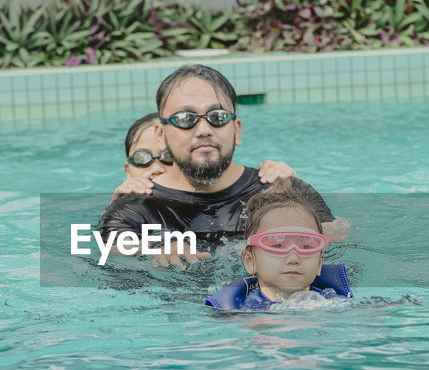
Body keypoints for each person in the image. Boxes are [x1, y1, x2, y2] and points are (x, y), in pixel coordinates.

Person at [98, 64, 341, 267]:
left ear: (236, 130)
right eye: (185, 119)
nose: (203, 130)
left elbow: (338, 238)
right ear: (160, 134)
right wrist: (153, 248)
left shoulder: (281, 189)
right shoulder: (133, 207)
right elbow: (110, 250)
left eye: (218, 117)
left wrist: (297, 216)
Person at [206, 179, 353, 310]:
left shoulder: (338, 304)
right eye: (277, 245)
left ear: (319, 263)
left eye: (307, 246)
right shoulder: (237, 313)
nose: (294, 258)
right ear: (250, 261)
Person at [112, 112, 299, 201]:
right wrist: (115, 208)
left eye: (168, 156)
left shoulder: (239, 199)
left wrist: (290, 190)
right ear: (128, 171)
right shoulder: (121, 213)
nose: (157, 168)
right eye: (141, 159)